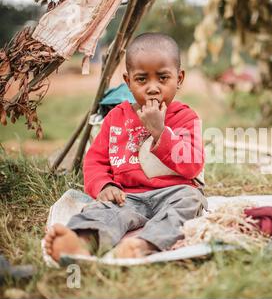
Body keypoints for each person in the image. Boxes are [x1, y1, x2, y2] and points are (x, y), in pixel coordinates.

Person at [44, 33, 207, 261]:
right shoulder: (115, 118)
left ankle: (144, 244)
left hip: (174, 193)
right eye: (142, 79)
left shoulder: (185, 117)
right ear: (128, 81)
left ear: (179, 79)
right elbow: (96, 160)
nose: (152, 88)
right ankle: (81, 241)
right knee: (103, 210)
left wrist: (160, 131)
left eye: (163, 78)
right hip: (127, 197)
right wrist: (104, 185)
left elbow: (192, 165)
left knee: (190, 202)